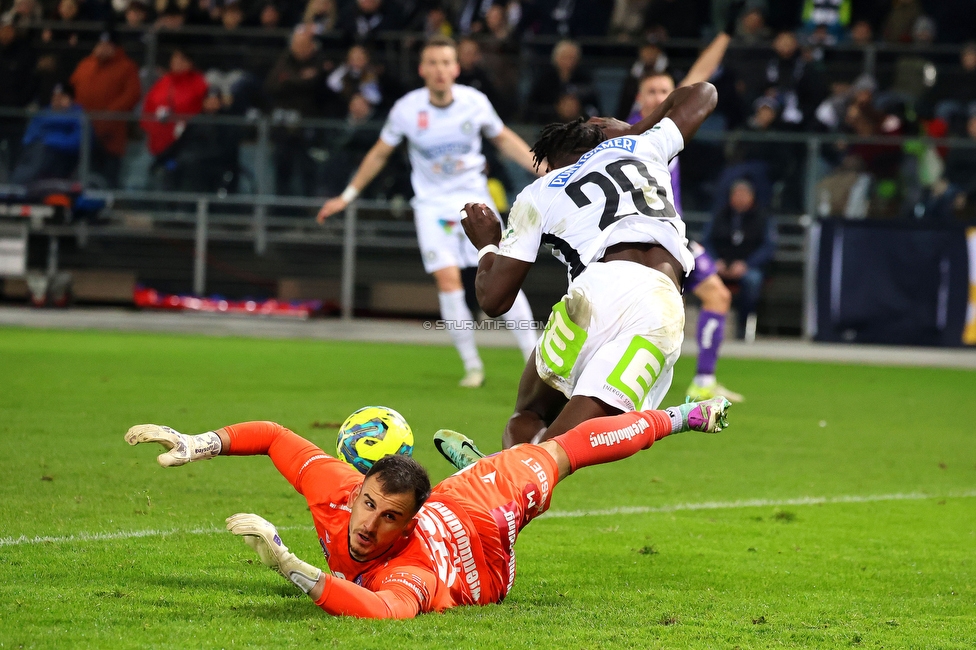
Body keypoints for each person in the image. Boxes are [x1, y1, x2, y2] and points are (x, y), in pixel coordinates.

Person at [123, 396, 732, 618]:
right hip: (453, 499)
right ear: (359, 490)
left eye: (388, 516)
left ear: (410, 521)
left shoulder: (408, 568)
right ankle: (475, 465)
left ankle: (682, 415)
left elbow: (383, 612)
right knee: (529, 454)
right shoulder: (341, 497)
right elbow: (278, 437)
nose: (367, 524)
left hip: (484, 528)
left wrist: (288, 565)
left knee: (557, 451)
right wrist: (201, 442)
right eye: (368, 505)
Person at [437, 79, 718, 473]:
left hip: (594, 292)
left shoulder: (540, 191)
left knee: (532, 413)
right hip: (661, 304)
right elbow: (703, 93)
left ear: (553, 162)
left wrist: (487, 243)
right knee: (560, 454)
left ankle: (496, 479)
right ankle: (503, 482)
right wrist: (632, 130)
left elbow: (493, 299)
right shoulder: (644, 145)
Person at [316, 36, 540, 389]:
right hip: (432, 207)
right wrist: (347, 196)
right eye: (432, 63)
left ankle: (536, 360)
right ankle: (472, 367)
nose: (439, 70)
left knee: (502, 275)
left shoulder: (474, 102)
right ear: (423, 69)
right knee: (447, 279)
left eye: (445, 62)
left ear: (456, 68)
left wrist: (547, 171)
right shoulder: (407, 109)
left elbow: (505, 140)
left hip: (475, 204)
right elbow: (378, 153)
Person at [624, 18, 746, 403]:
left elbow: (701, 75)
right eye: (653, 91)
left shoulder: (671, 129)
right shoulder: (627, 134)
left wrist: (725, 32)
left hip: (672, 235)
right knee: (639, 321)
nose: (661, 95)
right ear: (640, 100)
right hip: (633, 240)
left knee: (717, 296)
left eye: (666, 90)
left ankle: (703, 383)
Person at [702, 179, 776, 337]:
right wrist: (715, 261)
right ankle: (708, 327)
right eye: (737, 194)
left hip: (748, 268)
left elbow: (768, 247)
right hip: (719, 265)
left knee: (752, 280)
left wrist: (746, 265)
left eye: (744, 195)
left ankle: (743, 326)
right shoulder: (720, 215)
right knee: (701, 278)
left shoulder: (762, 217)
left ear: (752, 197)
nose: (740, 198)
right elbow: (706, 242)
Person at [70, 31, 142, 188]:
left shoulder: (127, 66)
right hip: (84, 131)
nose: (102, 49)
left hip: (111, 133)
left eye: (107, 45)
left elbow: (132, 94)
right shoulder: (85, 64)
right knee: (84, 175)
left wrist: (108, 115)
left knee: (108, 177)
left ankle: (108, 206)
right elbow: (73, 89)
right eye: (100, 45)